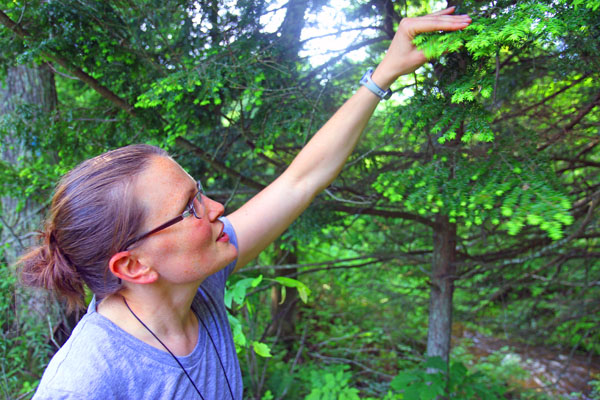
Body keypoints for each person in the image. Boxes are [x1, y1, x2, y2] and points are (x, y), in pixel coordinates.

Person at [20, 8, 471, 399]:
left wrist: (382, 76)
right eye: (190, 209)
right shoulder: (86, 384)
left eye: (198, 192)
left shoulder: (198, 283)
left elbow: (300, 180)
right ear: (134, 267)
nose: (216, 207)